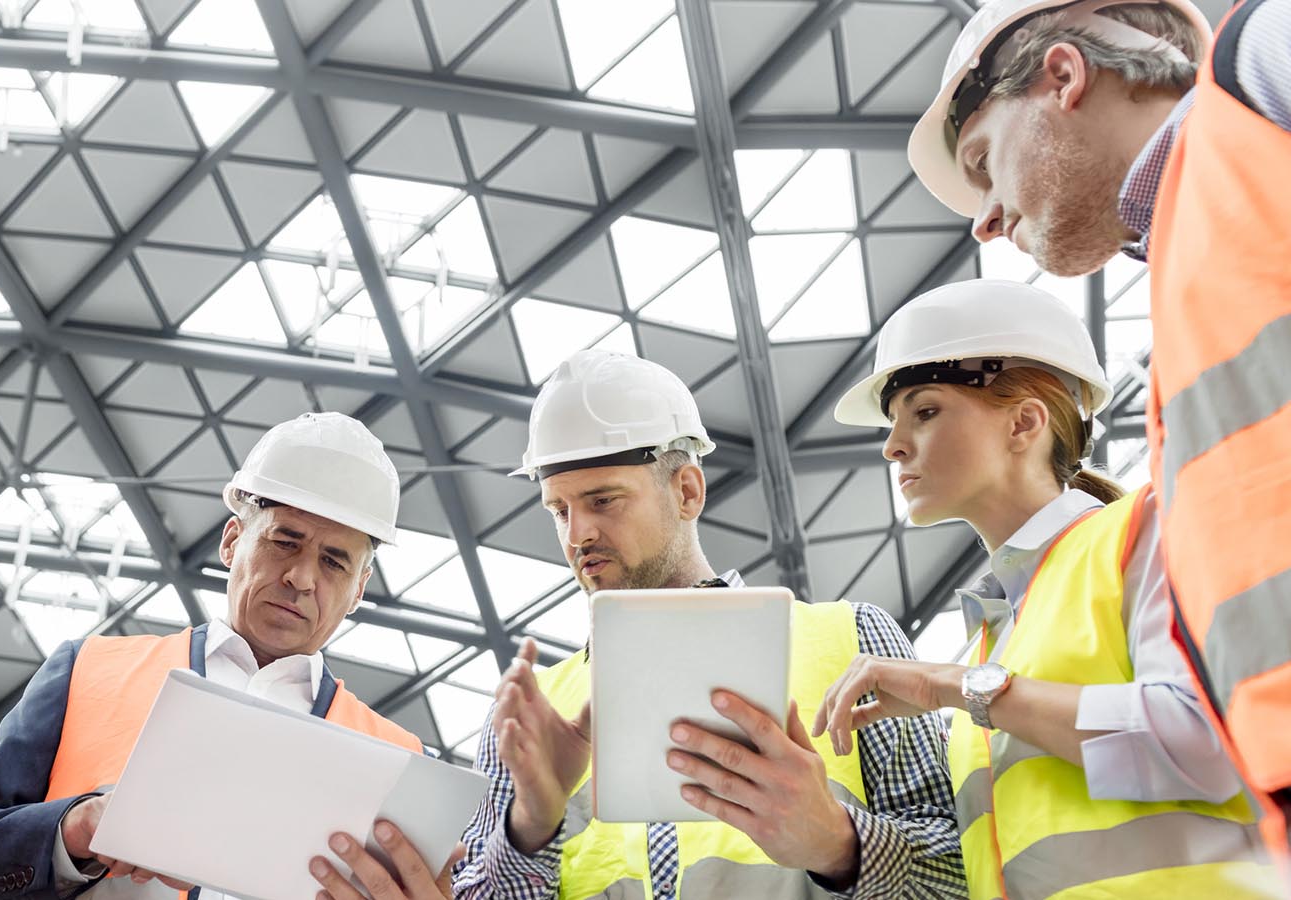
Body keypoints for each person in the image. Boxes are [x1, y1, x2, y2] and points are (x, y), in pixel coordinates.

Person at [906, 0, 1291, 860]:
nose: (985, 220)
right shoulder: (1193, 304)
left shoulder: (1261, 64)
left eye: (982, 161)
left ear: (1064, 78)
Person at [813, 279, 1278, 897]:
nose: (894, 447)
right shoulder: (993, 637)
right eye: (894, 423)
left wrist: (952, 688)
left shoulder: (1146, 532)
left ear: (1024, 423)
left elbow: (1207, 742)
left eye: (924, 411)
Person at [453, 349, 965, 899]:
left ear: (688, 491)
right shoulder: (533, 709)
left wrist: (839, 844)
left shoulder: (853, 640)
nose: (578, 534)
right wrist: (531, 826)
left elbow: (964, 873)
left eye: (603, 500)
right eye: (559, 510)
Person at [0, 412, 459, 900]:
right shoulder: (89, 671)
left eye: (334, 562)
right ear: (231, 541)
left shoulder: (399, 760)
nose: (301, 577)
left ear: (359, 590)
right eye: (284, 541)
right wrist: (73, 831)